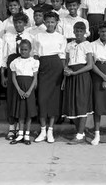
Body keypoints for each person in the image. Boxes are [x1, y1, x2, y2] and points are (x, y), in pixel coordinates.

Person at [33, 12, 67, 143]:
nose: (50, 24)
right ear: (44, 22)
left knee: (53, 100)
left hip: (56, 68)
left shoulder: (61, 37)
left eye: (52, 22)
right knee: (42, 99)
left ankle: (50, 130)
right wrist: (35, 72)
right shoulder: (38, 36)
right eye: (47, 21)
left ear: (56, 22)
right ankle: (42, 130)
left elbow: (62, 57)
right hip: (42, 67)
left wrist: (63, 74)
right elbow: (36, 55)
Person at [1, 13, 33, 140]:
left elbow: (33, 54)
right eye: (16, 22)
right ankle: (11, 128)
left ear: (25, 24)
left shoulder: (30, 36)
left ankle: (23, 130)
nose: (18, 25)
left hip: (24, 69)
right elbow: (3, 56)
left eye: (20, 22)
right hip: (11, 66)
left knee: (22, 99)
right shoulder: (7, 36)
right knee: (11, 98)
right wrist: (3, 75)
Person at [62, 22, 94, 144]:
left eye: (81, 31)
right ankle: (81, 132)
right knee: (72, 105)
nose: (79, 33)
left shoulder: (87, 45)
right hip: (70, 77)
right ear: (74, 31)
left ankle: (79, 135)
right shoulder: (69, 45)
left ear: (84, 32)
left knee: (82, 105)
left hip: (82, 77)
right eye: (77, 31)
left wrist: (75, 73)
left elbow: (90, 65)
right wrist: (66, 74)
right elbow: (66, 63)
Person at [9, 39, 38, 145]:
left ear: (30, 50)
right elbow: (13, 78)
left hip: (29, 88)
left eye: (26, 50)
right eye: (21, 49)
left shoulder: (34, 62)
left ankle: (27, 135)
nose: (23, 51)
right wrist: (19, 90)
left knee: (28, 113)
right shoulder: (15, 62)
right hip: (19, 89)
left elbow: (35, 78)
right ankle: (20, 134)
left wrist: (30, 91)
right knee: (21, 113)